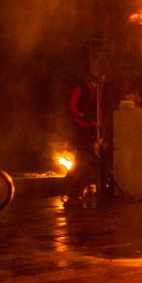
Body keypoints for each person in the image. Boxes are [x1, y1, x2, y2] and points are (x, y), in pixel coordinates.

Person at [63, 76, 101, 206]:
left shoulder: (96, 92)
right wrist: (81, 115)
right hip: (80, 126)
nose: (94, 86)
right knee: (83, 159)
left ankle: (73, 191)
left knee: (86, 160)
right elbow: (72, 106)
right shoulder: (79, 89)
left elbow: (97, 108)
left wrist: (95, 122)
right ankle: (71, 190)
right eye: (92, 83)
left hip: (90, 127)